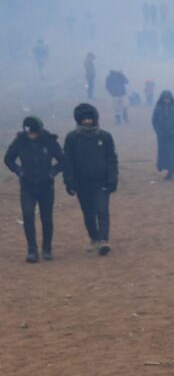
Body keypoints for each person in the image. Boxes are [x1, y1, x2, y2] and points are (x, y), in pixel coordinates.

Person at [4, 116, 65, 262]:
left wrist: (52, 172)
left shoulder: (49, 141)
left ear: (39, 131)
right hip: (27, 186)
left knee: (47, 219)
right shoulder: (20, 141)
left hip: (46, 186)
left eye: (34, 133)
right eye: (29, 132)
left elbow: (63, 160)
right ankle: (32, 250)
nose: (31, 135)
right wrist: (19, 172)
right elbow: (8, 159)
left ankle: (47, 249)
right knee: (28, 216)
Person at [63, 103, 118, 256]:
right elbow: (68, 162)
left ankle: (104, 240)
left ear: (95, 119)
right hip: (82, 183)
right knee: (88, 213)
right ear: (79, 120)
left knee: (102, 211)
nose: (87, 121)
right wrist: (69, 181)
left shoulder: (105, 137)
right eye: (84, 119)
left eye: (90, 118)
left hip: (101, 182)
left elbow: (112, 159)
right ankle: (94, 238)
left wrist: (113, 178)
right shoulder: (72, 138)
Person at [151, 90, 174, 180]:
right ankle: (169, 172)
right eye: (165, 99)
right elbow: (155, 123)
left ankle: (173, 172)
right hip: (162, 137)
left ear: (171, 99)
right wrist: (160, 132)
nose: (167, 101)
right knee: (164, 154)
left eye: (168, 99)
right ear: (162, 99)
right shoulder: (158, 109)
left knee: (173, 154)